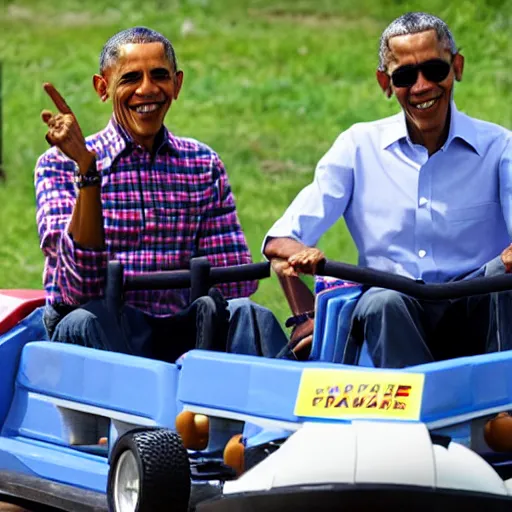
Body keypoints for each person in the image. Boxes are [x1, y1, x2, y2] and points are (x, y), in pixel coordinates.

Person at [263, 12, 512, 368]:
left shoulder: (500, 147)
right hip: (392, 308)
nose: (422, 86)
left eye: (435, 70)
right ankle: (415, 410)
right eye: (406, 76)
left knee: (501, 282)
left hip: (476, 303)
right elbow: (280, 238)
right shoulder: (358, 146)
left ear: (457, 66)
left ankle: (501, 403)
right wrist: (301, 253)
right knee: (384, 302)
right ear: (385, 82)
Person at [35, 26, 291, 362]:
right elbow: (81, 289)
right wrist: (88, 171)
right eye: (130, 79)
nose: (147, 89)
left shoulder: (202, 164)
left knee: (249, 314)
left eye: (159, 75)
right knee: (87, 320)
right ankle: (133, 412)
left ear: (177, 84)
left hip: (180, 328)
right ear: (103, 87)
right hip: (100, 328)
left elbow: (235, 283)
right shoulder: (59, 164)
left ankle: (271, 410)